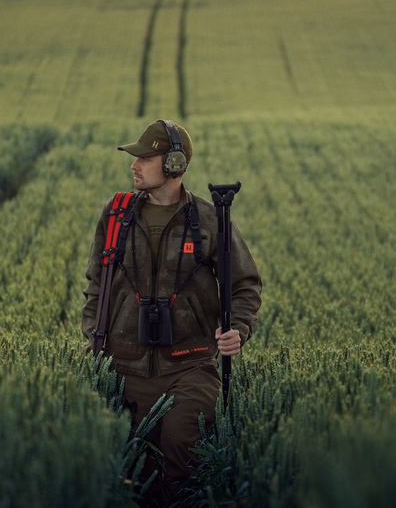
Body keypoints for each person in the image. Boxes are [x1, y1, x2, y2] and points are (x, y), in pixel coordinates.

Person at [80, 120, 262, 505]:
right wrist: (93, 341)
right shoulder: (115, 216)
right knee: (134, 475)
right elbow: (96, 284)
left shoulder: (211, 219)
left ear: (174, 164)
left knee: (182, 451)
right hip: (123, 367)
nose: (134, 166)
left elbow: (245, 284)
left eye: (145, 159)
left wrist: (237, 329)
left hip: (190, 367)